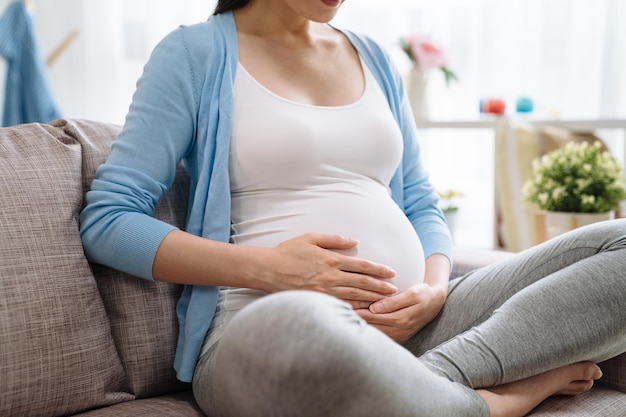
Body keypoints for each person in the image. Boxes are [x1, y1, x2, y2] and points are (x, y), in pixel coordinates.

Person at [79, 0, 626, 416]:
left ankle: (419, 385)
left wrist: (433, 290)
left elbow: (419, 202)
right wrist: (272, 270)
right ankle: (492, 403)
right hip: (264, 326)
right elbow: (108, 220)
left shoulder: (371, 55)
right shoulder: (194, 54)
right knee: (308, 322)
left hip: (418, 327)